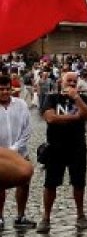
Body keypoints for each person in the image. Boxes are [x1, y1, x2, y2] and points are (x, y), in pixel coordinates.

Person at [37, 71, 87, 233]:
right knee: (50, 183)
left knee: (79, 183)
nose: (72, 84)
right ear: (61, 82)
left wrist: (76, 98)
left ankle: (81, 215)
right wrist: (76, 117)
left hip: (77, 147)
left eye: (75, 81)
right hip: (55, 147)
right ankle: (46, 217)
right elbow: (51, 118)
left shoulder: (83, 99)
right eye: (69, 80)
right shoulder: (52, 98)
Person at [0, 74, 35, 228]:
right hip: (1, 155)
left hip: (20, 152)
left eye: (7, 89)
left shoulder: (21, 104)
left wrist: (15, 148)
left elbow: (27, 129)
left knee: (24, 182)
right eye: (1, 89)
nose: (5, 92)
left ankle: (20, 216)